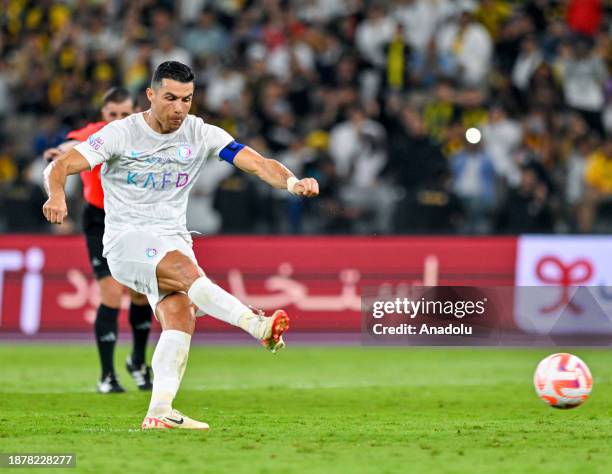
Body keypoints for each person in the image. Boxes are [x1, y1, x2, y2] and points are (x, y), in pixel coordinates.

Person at [42, 61, 319, 430]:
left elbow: (257, 163)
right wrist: (57, 197)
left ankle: (159, 411)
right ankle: (257, 325)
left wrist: (292, 183)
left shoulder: (200, 133)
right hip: (127, 239)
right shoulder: (120, 134)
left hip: (172, 237)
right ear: (151, 95)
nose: (179, 108)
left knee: (180, 315)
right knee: (189, 275)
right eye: (170, 98)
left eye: (186, 99)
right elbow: (60, 166)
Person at [43, 87, 154, 394]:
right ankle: (107, 375)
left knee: (140, 294)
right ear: (103, 114)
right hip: (100, 220)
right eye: (112, 115)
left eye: (124, 114)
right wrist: (61, 153)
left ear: (135, 112)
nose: (117, 120)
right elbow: (73, 142)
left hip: (133, 220)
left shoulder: (145, 134)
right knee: (110, 294)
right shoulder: (96, 134)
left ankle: (138, 362)